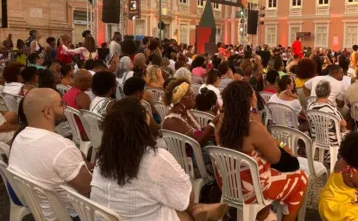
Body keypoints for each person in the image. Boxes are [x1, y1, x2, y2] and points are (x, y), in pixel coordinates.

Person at [90, 98, 228, 221]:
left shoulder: (102, 159)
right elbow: (186, 198)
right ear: (145, 122)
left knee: (161, 195)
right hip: (147, 216)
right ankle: (197, 209)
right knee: (176, 204)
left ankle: (198, 209)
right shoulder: (156, 158)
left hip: (108, 216)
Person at [217, 81, 308, 221]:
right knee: (302, 178)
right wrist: (282, 145)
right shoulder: (252, 127)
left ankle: (264, 213)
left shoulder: (222, 123)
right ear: (249, 100)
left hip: (228, 183)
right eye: (253, 95)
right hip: (253, 189)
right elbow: (276, 157)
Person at [8, 88, 92, 220]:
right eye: (61, 104)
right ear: (48, 112)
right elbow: (88, 188)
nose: (65, 107)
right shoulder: (61, 146)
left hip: (39, 210)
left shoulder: (20, 136)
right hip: (69, 215)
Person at [319, 132, 358, 221]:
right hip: (339, 211)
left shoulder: (341, 162)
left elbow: (354, 182)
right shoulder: (355, 174)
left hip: (327, 204)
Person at [162, 80, 216, 148]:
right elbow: (196, 143)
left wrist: (206, 129)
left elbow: (196, 133)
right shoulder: (171, 120)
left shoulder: (187, 112)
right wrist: (212, 124)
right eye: (191, 95)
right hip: (189, 156)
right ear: (181, 100)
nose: (194, 97)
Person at [307, 80, 348, 147]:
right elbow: (343, 124)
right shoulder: (331, 109)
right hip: (332, 141)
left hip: (316, 138)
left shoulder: (310, 106)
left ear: (316, 92)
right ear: (329, 93)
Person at [63, 70, 92, 141]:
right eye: (89, 81)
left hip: (74, 131)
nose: (90, 84)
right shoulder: (83, 97)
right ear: (82, 82)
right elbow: (91, 120)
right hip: (85, 134)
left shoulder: (68, 93)